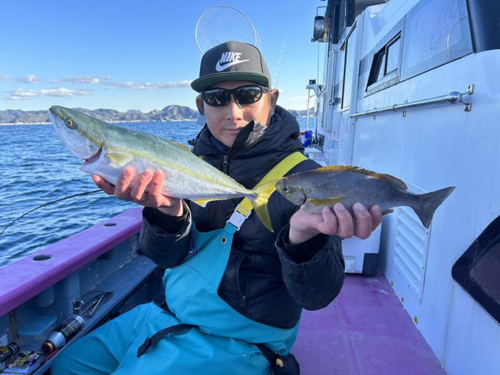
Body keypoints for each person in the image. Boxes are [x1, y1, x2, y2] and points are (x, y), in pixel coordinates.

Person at [52, 41, 382, 375]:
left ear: (272, 99)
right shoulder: (184, 165)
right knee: (67, 366)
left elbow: (316, 297)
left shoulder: (304, 178)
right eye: (217, 98)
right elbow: (167, 259)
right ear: (200, 105)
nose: (233, 112)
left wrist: (303, 241)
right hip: (165, 316)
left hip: (242, 342)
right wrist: (167, 213)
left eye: (249, 94)